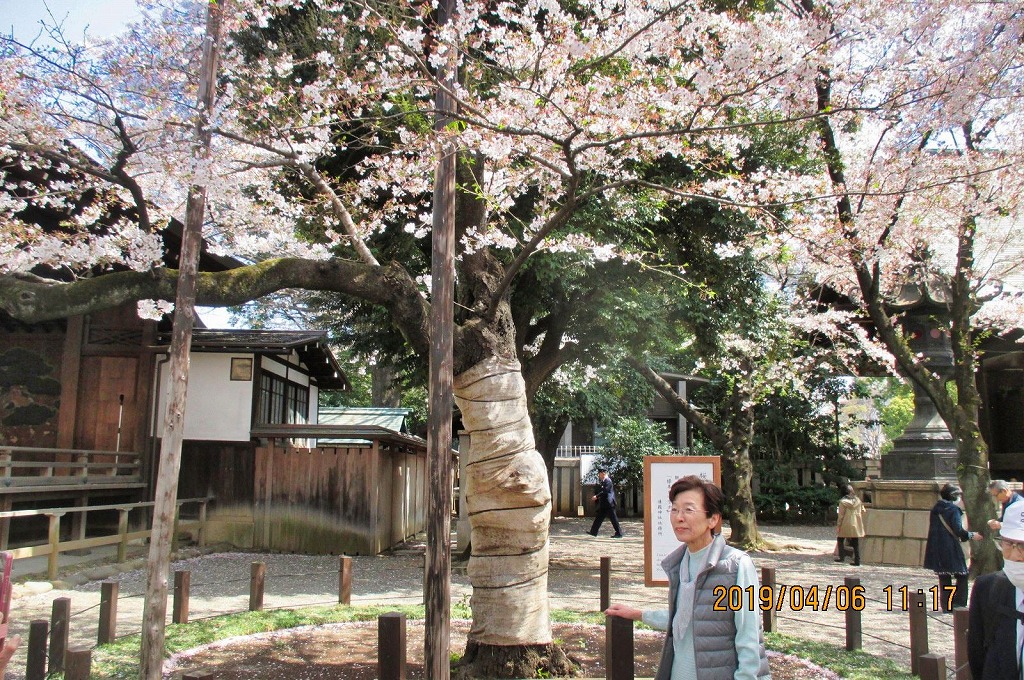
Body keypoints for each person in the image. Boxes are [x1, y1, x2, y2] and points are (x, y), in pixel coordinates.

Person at [604, 475, 771, 679]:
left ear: (713, 519)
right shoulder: (680, 563)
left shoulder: (736, 565)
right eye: (674, 509)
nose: (678, 517)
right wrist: (638, 614)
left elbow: (749, 637)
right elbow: (688, 618)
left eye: (688, 510)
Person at [968, 498, 1024, 678]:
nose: (1015, 555)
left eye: (1023, 546)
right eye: (1008, 543)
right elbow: (977, 655)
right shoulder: (987, 588)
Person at [924, 483, 982, 611]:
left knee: (944, 576)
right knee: (962, 575)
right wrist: (972, 535)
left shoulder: (936, 509)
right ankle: (959, 604)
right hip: (951, 547)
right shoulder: (953, 510)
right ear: (953, 496)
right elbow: (958, 530)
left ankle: (947, 605)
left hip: (937, 547)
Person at [834, 485, 865, 566]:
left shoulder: (843, 502)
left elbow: (841, 515)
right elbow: (863, 511)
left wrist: (838, 526)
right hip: (856, 523)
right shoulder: (858, 500)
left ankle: (842, 557)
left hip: (846, 523)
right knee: (855, 542)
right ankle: (857, 560)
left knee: (840, 539)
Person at [587, 469, 623, 538]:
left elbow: (605, 491)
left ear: (603, 473)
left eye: (599, 474)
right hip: (605, 503)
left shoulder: (608, 481)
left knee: (614, 519)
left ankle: (619, 533)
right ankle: (593, 532)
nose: (599, 476)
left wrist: (596, 496)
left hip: (609, 503)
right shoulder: (604, 481)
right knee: (598, 518)